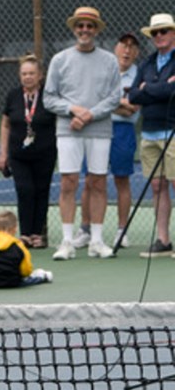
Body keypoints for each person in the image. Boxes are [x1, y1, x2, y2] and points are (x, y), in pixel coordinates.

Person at [44, 6, 121, 260]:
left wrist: (89, 115)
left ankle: (96, 241)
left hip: (99, 130)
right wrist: (73, 110)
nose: (84, 30)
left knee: (98, 182)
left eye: (90, 26)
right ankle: (66, 241)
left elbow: (114, 97)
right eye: (80, 26)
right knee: (69, 182)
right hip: (68, 131)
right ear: (74, 28)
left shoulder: (109, 60)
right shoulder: (59, 59)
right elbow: (49, 98)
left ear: (96, 29)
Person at [75, 33, 142, 251]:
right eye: (124, 45)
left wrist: (108, 103)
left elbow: (133, 108)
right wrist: (118, 104)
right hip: (97, 129)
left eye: (132, 47)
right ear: (116, 48)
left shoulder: (139, 75)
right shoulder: (103, 69)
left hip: (123, 131)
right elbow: (92, 99)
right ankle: (85, 230)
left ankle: (122, 231)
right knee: (90, 181)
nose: (127, 51)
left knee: (121, 180)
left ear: (137, 53)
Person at [0, 53, 58, 248]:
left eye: (32, 73)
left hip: (44, 153)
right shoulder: (13, 96)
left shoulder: (49, 96)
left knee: (41, 191)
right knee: (24, 190)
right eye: (24, 73)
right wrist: (3, 153)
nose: (28, 77)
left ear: (40, 75)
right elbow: (6, 124)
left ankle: (37, 233)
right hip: (18, 154)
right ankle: (24, 233)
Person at [129, 13, 175, 258]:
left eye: (164, 31)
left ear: (173, 33)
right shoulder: (146, 63)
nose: (159, 36)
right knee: (157, 186)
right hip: (149, 132)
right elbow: (134, 96)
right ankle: (163, 240)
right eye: (155, 33)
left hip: (173, 131)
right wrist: (162, 88)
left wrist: (150, 89)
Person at [0, 211, 53, 289]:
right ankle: (43, 277)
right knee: (30, 279)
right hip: (12, 282)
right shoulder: (18, 246)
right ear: (15, 229)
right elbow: (26, 270)